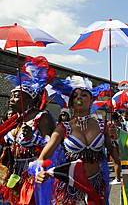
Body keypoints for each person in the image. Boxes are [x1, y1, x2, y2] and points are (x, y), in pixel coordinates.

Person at [35, 76, 120, 204]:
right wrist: (39, 172)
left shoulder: (104, 126)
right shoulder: (63, 128)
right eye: (75, 96)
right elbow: (43, 158)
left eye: (84, 95)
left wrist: (115, 140)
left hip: (96, 186)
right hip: (71, 187)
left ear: (92, 101)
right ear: (72, 103)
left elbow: (117, 158)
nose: (79, 97)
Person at [0, 56, 56, 205]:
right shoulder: (13, 120)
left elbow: (54, 147)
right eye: (11, 96)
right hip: (14, 174)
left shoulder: (42, 117)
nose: (11, 99)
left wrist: (33, 138)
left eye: (17, 96)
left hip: (33, 174)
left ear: (30, 99)